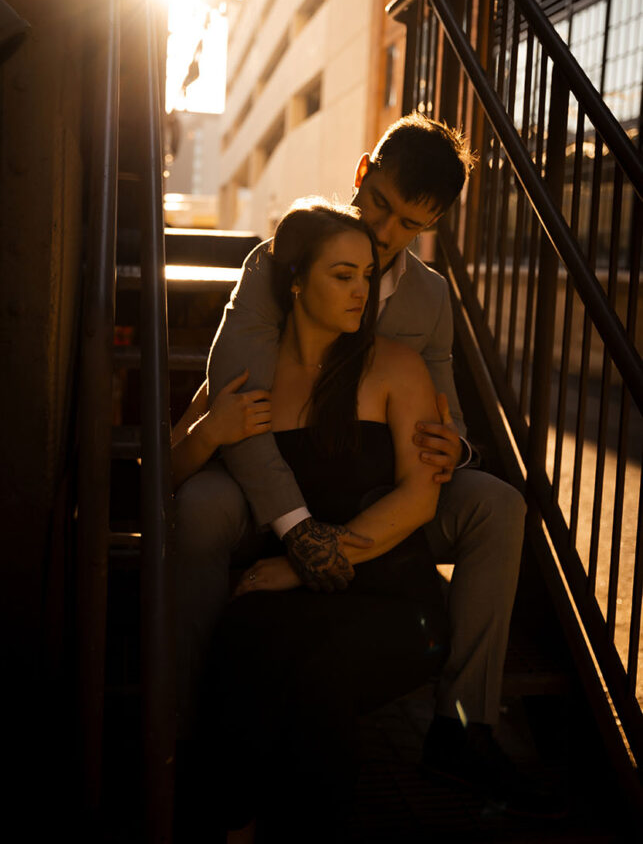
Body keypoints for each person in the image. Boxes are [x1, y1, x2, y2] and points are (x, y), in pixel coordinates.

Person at [174, 113, 527, 808]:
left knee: (497, 504)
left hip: (373, 492)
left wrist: (457, 444)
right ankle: (187, 719)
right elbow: (236, 408)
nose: (385, 233)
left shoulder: (427, 298)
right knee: (198, 504)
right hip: (279, 474)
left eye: (408, 225)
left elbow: (446, 408)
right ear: (362, 173)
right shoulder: (278, 264)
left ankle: (462, 729)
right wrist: (298, 528)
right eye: (379, 207)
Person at [199, 201, 449, 842]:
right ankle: (234, 826)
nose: (362, 291)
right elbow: (166, 473)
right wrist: (207, 433)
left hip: (398, 602)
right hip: (298, 602)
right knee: (241, 639)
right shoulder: (249, 374)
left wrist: (294, 562)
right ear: (293, 279)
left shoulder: (395, 366)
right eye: (343, 275)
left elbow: (419, 500)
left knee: (316, 677)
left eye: (367, 276)